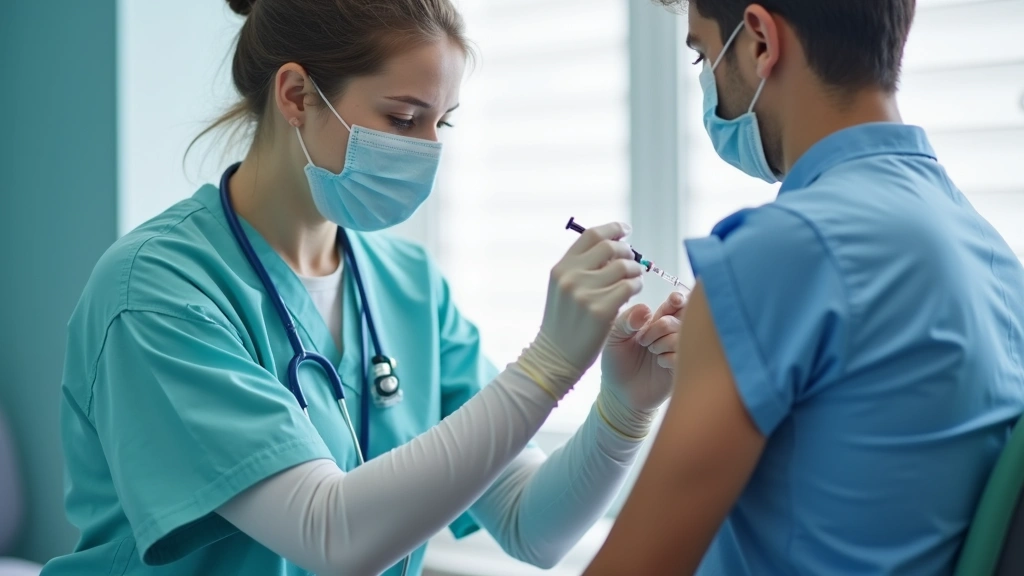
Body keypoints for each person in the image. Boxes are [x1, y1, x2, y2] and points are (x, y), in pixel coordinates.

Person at [40, 1, 685, 575]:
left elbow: (530, 528)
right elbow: (330, 536)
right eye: (405, 119)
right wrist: (547, 365)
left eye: (443, 124)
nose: (429, 150)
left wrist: (625, 409)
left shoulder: (409, 288)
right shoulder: (158, 291)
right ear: (295, 95)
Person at [583, 1, 1024, 575]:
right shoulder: (993, 255)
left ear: (761, 40)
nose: (705, 77)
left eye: (701, 51)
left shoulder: (782, 252)